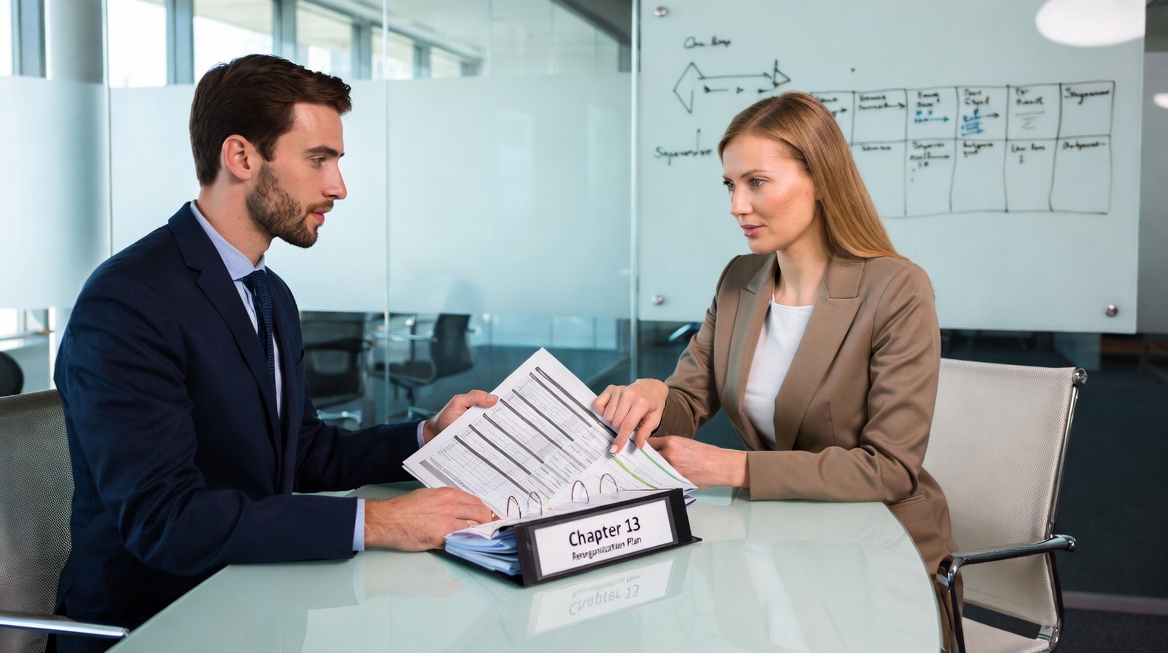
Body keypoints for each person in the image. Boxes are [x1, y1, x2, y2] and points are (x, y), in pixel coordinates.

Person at [53, 54, 494, 649]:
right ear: (241, 157)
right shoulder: (129, 301)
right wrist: (379, 521)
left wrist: (425, 437)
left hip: (261, 602)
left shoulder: (267, 292)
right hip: (157, 623)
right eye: (319, 160)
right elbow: (167, 522)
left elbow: (300, 452)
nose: (338, 186)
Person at [595, 91, 959, 648]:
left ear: (820, 178)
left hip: (874, 552)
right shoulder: (741, 279)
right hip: (776, 532)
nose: (737, 206)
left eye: (756, 182)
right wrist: (649, 392)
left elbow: (889, 469)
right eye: (730, 186)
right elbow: (687, 402)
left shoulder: (896, 288)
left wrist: (736, 468)